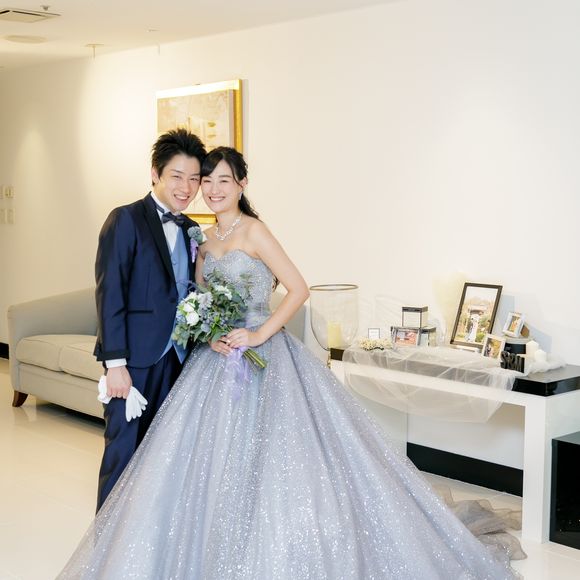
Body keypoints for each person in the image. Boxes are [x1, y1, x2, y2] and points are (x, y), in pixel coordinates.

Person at [60, 147, 521, 578]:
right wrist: (212, 333)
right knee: (203, 465)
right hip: (213, 360)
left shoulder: (255, 231)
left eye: (222, 180)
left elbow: (298, 289)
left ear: (242, 184)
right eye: (206, 181)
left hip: (264, 354)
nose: (212, 189)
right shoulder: (199, 236)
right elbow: (194, 296)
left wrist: (259, 333)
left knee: (275, 461)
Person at [93, 128, 206, 510]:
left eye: (194, 179)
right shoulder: (125, 219)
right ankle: (108, 543)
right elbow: (110, 292)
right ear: (155, 173)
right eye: (177, 176)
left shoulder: (191, 229)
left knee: (164, 458)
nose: (186, 188)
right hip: (134, 362)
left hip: (179, 359)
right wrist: (116, 365)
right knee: (122, 454)